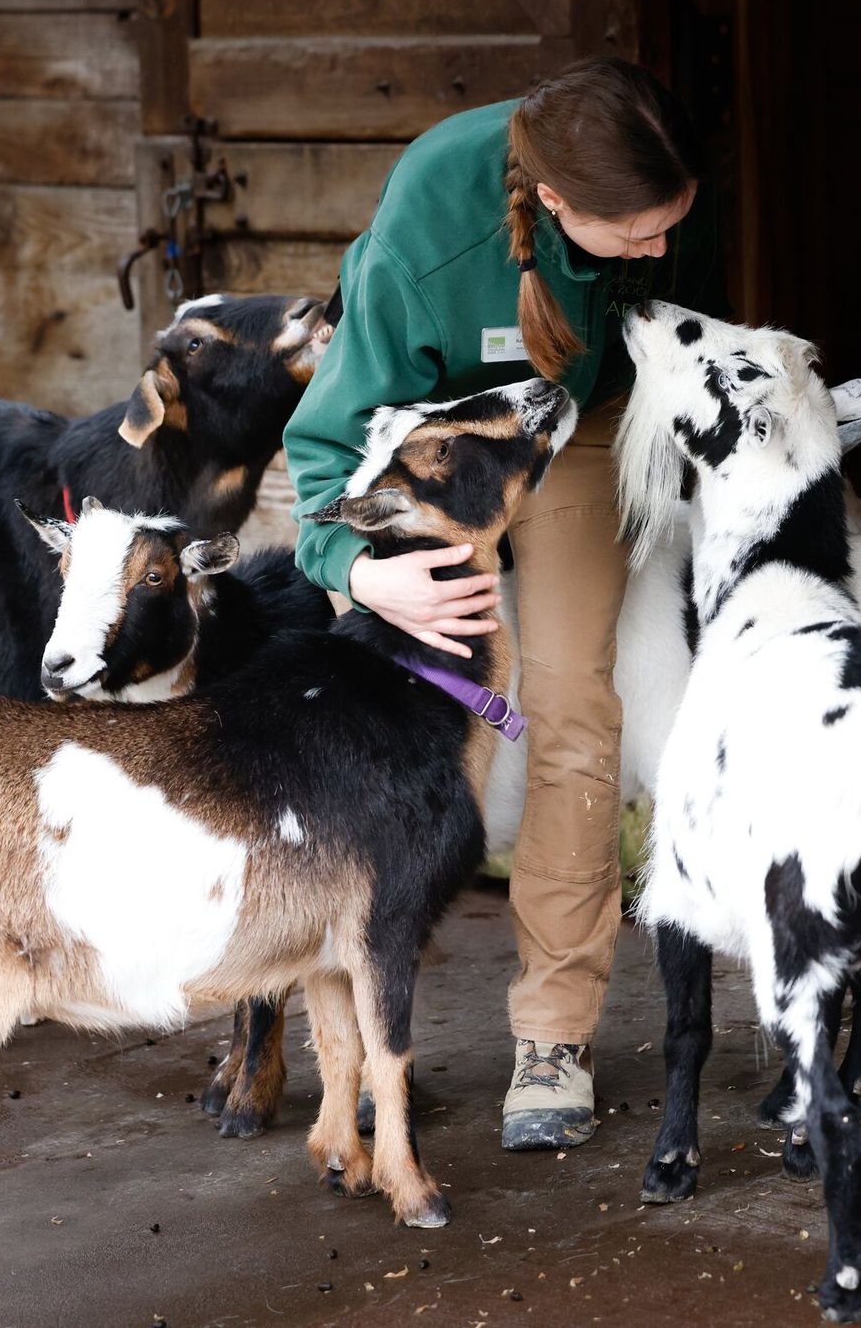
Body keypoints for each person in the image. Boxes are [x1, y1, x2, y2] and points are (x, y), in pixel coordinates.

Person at [284, 57, 726, 1151]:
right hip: (442, 449)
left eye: (673, 226)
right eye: (639, 236)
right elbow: (321, 451)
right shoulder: (432, 234)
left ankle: (552, 1036)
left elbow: (649, 331)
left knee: (571, 702)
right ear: (560, 205)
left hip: (570, 439)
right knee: (403, 722)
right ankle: (361, 1031)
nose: (662, 251)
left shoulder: (633, 200)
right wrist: (355, 567)